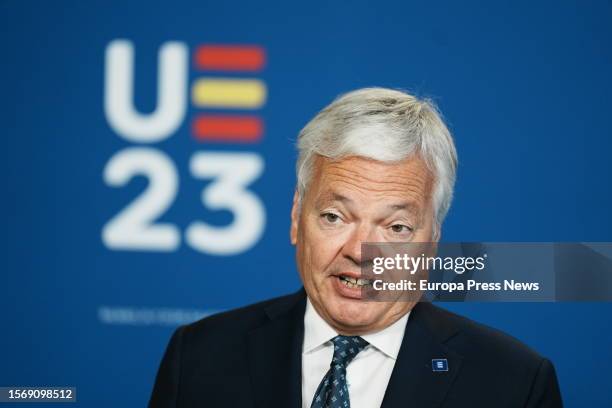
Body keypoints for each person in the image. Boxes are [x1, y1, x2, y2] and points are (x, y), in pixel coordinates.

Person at [149, 88, 563, 407]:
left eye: (397, 227)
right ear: (297, 217)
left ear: (432, 241)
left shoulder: (513, 384)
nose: (361, 251)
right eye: (335, 217)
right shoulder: (200, 357)